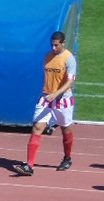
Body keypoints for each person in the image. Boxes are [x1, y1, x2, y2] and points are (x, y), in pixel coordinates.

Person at [14, 31, 76, 176]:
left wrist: (56, 94)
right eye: (51, 45)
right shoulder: (47, 57)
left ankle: (67, 158)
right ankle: (29, 165)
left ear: (63, 43)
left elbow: (70, 81)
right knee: (37, 128)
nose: (53, 48)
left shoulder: (69, 59)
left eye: (56, 45)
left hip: (63, 100)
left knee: (65, 129)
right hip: (46, 98)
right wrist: (49, 93)